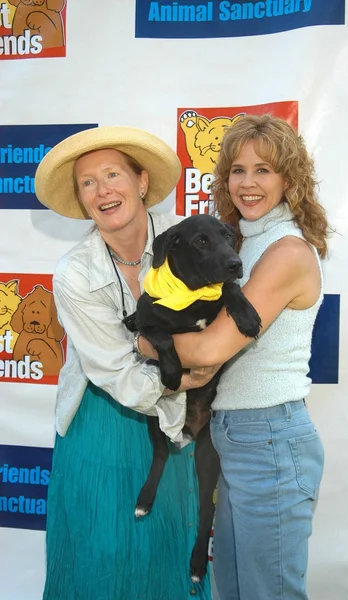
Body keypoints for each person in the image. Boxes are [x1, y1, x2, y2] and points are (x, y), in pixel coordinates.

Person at [137, 114, 329, 600]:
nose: (247, 182)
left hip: (269, 437)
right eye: (237, 170)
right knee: (237, 590)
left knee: (269, 592)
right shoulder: (237, 240)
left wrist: (144, 342)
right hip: (232, 433)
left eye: (264, 170)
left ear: (290, 178)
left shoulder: (285, 252)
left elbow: (211, 349)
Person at [34, 125, 215, 600]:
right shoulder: (74, 272)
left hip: (178, 420)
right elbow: (115, 371)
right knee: (101, 556)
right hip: (103, 418)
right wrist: (191, 378)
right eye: (88, 183)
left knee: (169, 555)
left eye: (112, 174)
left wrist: (193, 379)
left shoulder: (190, 238)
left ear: (140, 182)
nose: (102, 190)